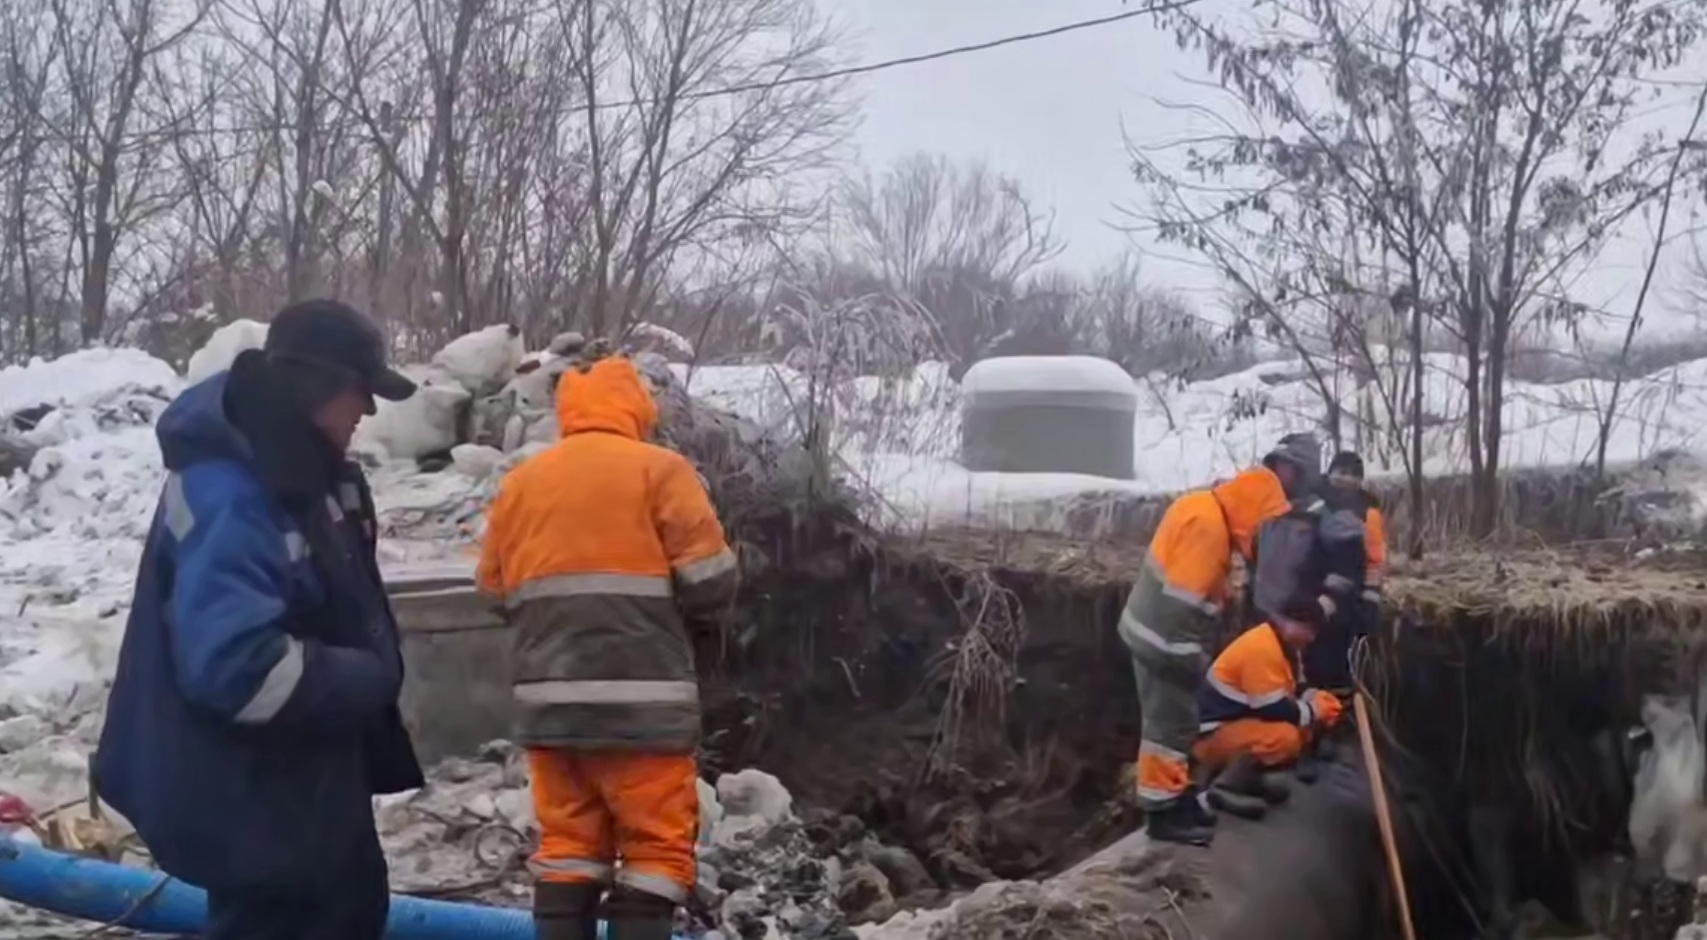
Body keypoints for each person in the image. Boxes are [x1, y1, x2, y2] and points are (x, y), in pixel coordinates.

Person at [93, 300, 426, 940]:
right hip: (259, 803)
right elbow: (236, 668)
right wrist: (365, 678)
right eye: (361, 391)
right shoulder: (232, 493)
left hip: (307, 787)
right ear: (317, 384)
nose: (367, 410)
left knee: (350, 908)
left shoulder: (298, 470)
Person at [478, 352, 738, 940]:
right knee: (655, 851)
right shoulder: (660, 471)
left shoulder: (522, 483)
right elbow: (711, 582)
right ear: (637, 411)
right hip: (643, 710)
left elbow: (492, 591)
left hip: (550, 709)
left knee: (567, 848)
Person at [1117, 435, 1314, 846]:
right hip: (1164, 644)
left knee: (1177, 725)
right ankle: (1162, 816)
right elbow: (1182, 604)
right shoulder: (1208, 529)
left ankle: (1178, 798)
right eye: (1263, 524)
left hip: (1159, 638)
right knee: (1166, 731)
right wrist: (1189, 660)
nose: (1262, 535)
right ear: (1250, 511)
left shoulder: (1206, 511)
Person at [1194, 595, 1345, 819]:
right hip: (1213, 734)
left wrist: (1314, 697)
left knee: (1298, 728)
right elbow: (1272, 708)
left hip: (1237, 722)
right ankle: (1223, 787)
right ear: (1290, 623)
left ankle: (1249, 780)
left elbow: (1293, 689)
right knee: (1285, 738)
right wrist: (1314, 711)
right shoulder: (1262, 649)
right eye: (1309, 630)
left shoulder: (1285, 646)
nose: (1312, 638)